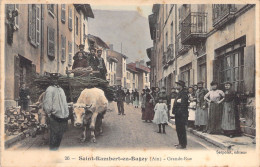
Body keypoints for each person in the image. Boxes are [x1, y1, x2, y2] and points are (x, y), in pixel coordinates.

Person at [43, 73, 69, 150]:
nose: (55, 81)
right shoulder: (49, 89)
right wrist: (49, 113)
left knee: (60, 135)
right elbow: (48, 102)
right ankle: (52, 151)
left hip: (62, 116)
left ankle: (56, 150)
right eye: (53, 79)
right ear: (50, 80)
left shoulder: (61, 90)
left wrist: (66, 113)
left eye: (56, 79)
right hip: (54, 116)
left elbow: (64, 102)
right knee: (54, 134)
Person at [172, 80, 189, 149]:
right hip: (178, 114)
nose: (177, 86)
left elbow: (183, 105)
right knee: (178, 129)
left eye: (178, 85)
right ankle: (180, 143)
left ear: (181, 86)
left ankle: (183, 145)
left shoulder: (184, 94)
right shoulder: (179, 93)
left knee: (181, 129)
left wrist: (179, 112)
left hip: (181, 114)